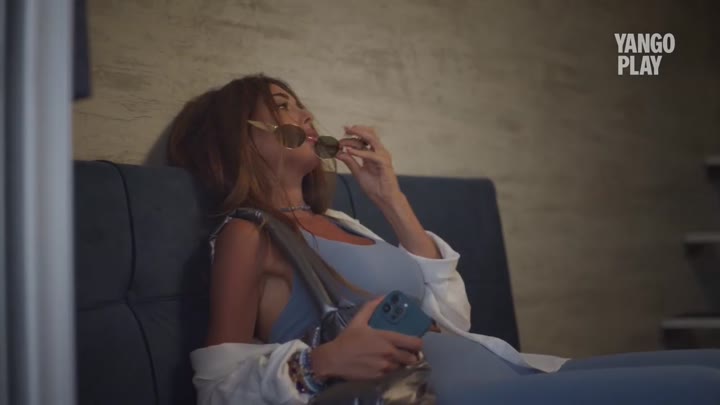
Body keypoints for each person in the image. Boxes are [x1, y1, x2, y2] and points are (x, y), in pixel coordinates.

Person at [166, 74, 720, 405]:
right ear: (242, 139)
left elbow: (453, 321)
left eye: (301, 104)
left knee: (711, 368)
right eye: (283, 107)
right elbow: (216, 390)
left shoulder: (341, 221)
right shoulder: (249, 233)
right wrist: (322, 362)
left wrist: (390, 198)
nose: (305, 114)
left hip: (506, 367)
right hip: (447, 395)